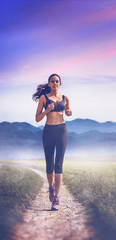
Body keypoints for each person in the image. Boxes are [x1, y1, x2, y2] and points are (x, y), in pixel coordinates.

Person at [32, 74, 72, 210]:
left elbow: (67, 111)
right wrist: (47, 110)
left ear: (60, 83)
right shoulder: (44, 98)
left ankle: (57, 198)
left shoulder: (65, 98)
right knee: (50, 164)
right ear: (49, 84)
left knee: (59, 164)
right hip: (48, 131)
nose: (55, 83)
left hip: (62, 130)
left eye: (57, 81)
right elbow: (37, 118)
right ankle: (51, 187)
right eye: (52, 81)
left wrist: (68, 112)